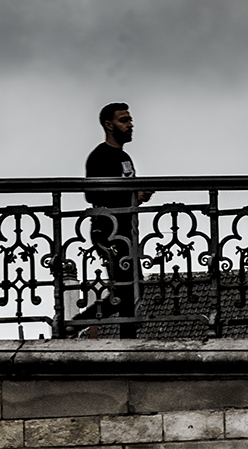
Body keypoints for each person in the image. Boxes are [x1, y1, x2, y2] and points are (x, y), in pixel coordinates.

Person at [75, 101, 153, 337]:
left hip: (127, 230)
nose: (130, 125)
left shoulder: (124, 156)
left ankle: (127, 341)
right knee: (125, 292)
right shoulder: (99, 156)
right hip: (109, 231)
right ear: (109, 125)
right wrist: (131, 193)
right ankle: (74, 323)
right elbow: (92, 193)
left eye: (130, 120)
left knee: (133, 288)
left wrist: (138, 194)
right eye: (124, 120)